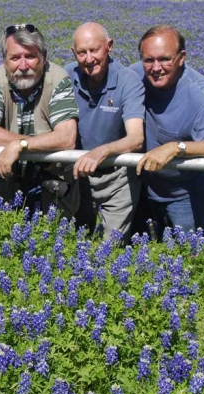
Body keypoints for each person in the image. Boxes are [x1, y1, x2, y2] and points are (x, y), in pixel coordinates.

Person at [130, 25, 204, 239]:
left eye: (165, 59)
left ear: (181, 57)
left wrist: (177, 148)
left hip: (185, 194)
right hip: (143, 187)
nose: (156, 67)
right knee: (143, 257)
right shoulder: (134, 77)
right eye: (148, 60)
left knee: (189, 256)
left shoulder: (199, 94)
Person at [0, 24, 79, 217]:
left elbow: (66, 137)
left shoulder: (57, 78)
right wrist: (25, 143)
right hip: (6, 179)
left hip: (52, 180)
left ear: (44, 56)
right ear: (4, 60)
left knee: (53, 237)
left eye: (30, 56)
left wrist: (19, 145)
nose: (23, 66)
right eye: (15, 58)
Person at [65, 22, 144, 241]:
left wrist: (102, 151)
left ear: (109, 46)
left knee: (111, 247)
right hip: (78, 172)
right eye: (82, 52)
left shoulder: (128, 81)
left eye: (94, 50)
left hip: (117, 175)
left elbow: (136, 138)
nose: (89, 59)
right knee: (75, 240)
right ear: (74, 53)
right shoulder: (65, 76)